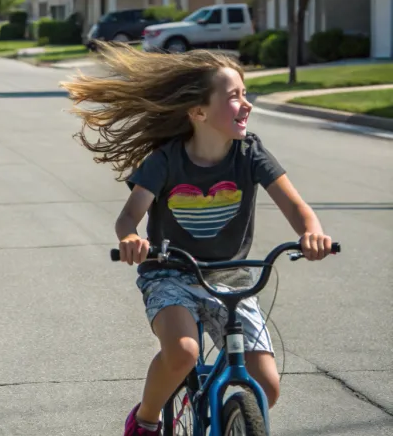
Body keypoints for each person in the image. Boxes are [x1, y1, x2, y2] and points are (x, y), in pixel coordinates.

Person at [62, 44, 334, 436]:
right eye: (234, 96)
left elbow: (296, 207)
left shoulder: (251, 153)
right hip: (171, 274)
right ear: (199, 111)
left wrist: (311, 233)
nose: (247, 104)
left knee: (265, 387)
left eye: (245, 93)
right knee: (184, 352)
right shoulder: (167, 159)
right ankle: (146, 420)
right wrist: (131, 238)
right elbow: (129, 215)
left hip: (232, 278)